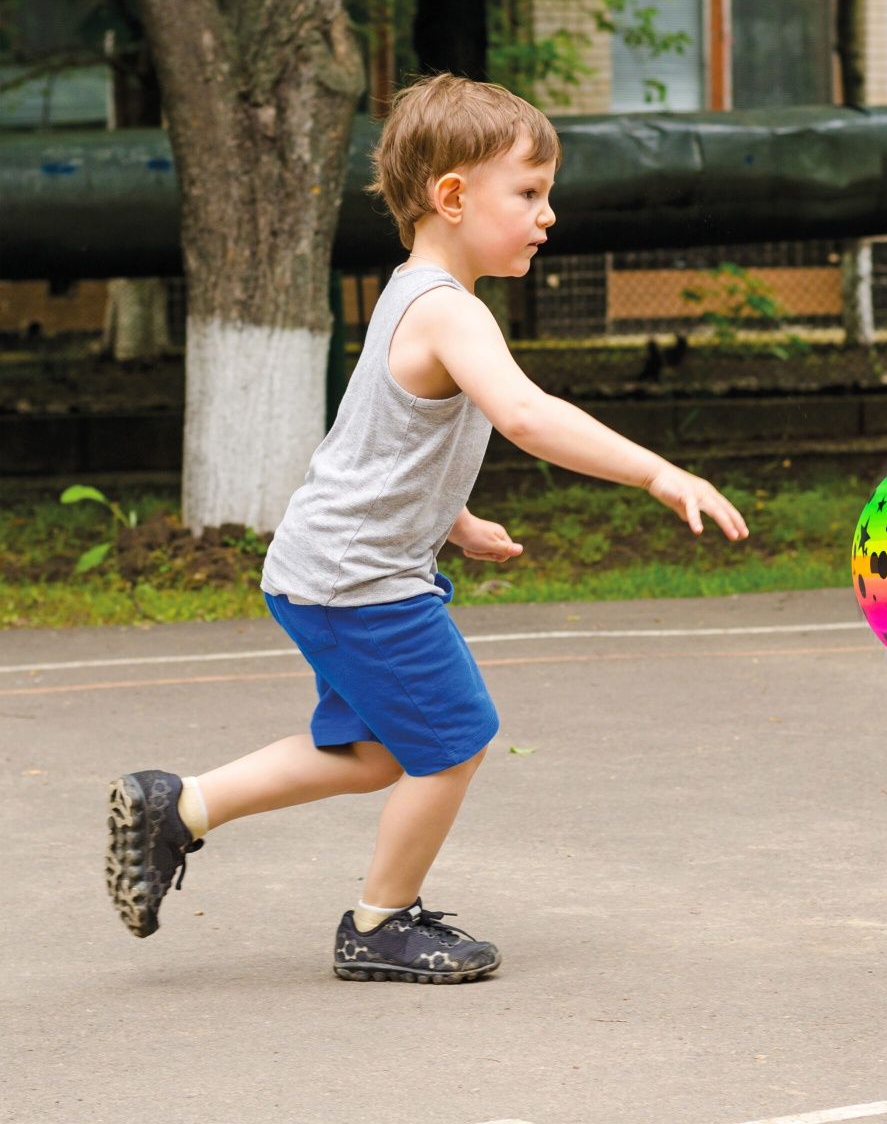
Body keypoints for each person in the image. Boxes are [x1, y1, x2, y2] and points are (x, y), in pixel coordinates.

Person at [105, 71, 749, 984]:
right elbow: (525, 416)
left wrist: (454, 518)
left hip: (327, 568)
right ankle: (380, 924)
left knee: (371, 754)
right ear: (453, 196)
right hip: (360, 580)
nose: (548, 214)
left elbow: (384, 444)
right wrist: (655, 469)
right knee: (455, 739)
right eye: (528, 193)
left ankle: (180, 807)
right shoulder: (450, 309)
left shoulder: (410, 293)